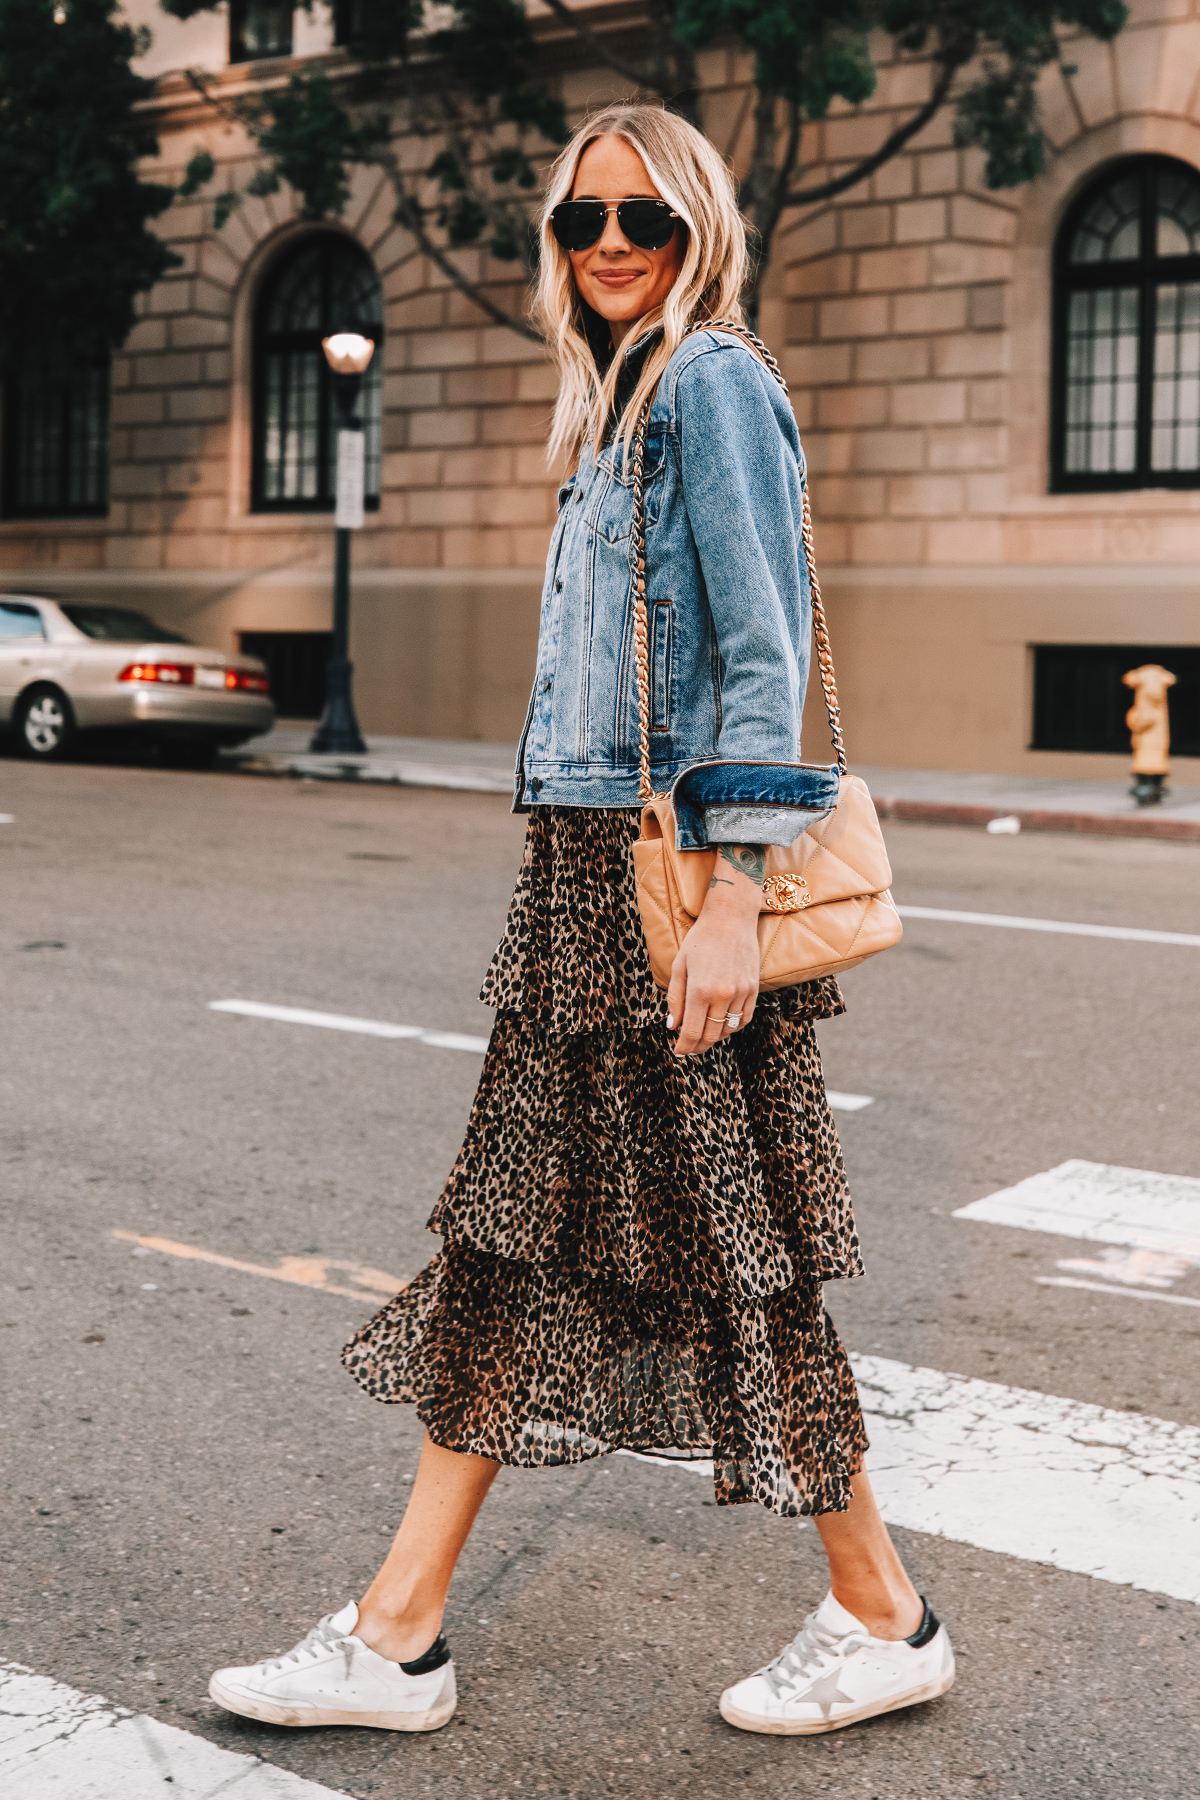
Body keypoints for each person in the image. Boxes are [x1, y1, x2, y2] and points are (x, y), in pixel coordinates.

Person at [208, 101, 954, 1741]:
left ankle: (876, 1609)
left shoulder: (710, 382)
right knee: (527, 1240)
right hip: (585, 887)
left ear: (700, 232)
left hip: (666, 887)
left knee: (722, 1260)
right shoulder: (619, 403)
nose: (610, 246)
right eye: (580, 223)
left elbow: (762, 655)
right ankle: (405, 1629)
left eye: (646, 221)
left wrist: (738, 900)